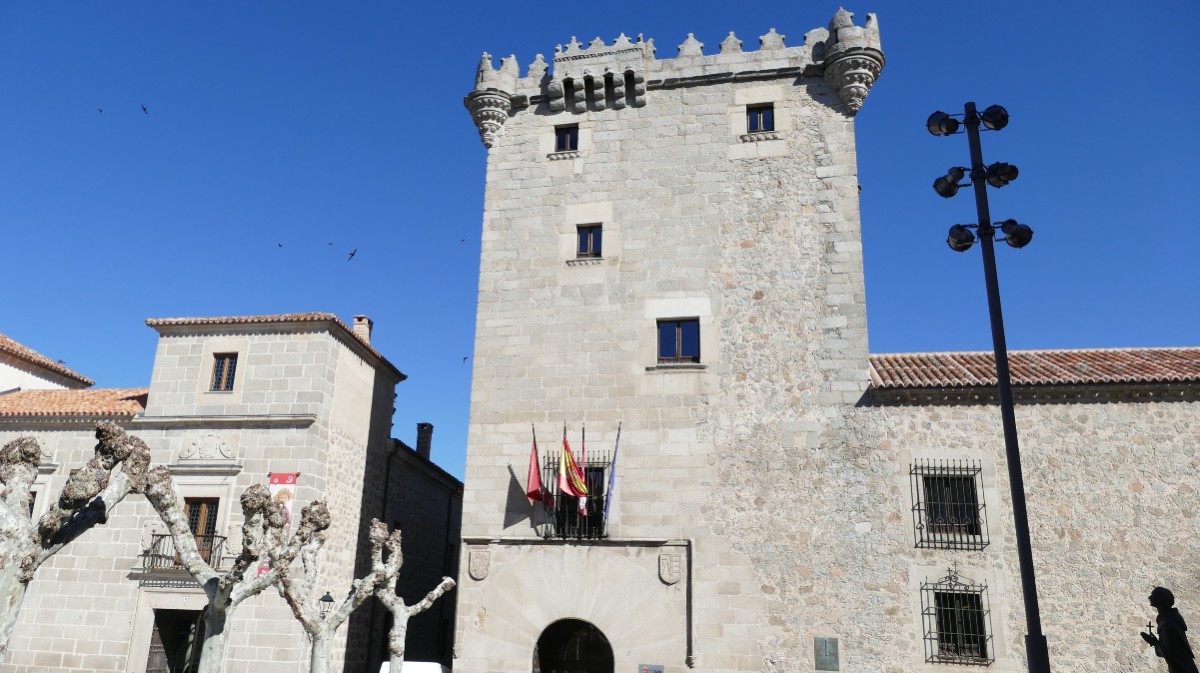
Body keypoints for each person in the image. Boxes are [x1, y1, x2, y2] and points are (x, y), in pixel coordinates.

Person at [1142, 587, 1199, 673]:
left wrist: (1154, 643)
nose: (1149, 598)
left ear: (1161, 599)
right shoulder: (1171, 619)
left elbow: (1170, 654)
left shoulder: (1167, 623)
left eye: (1153, 595)